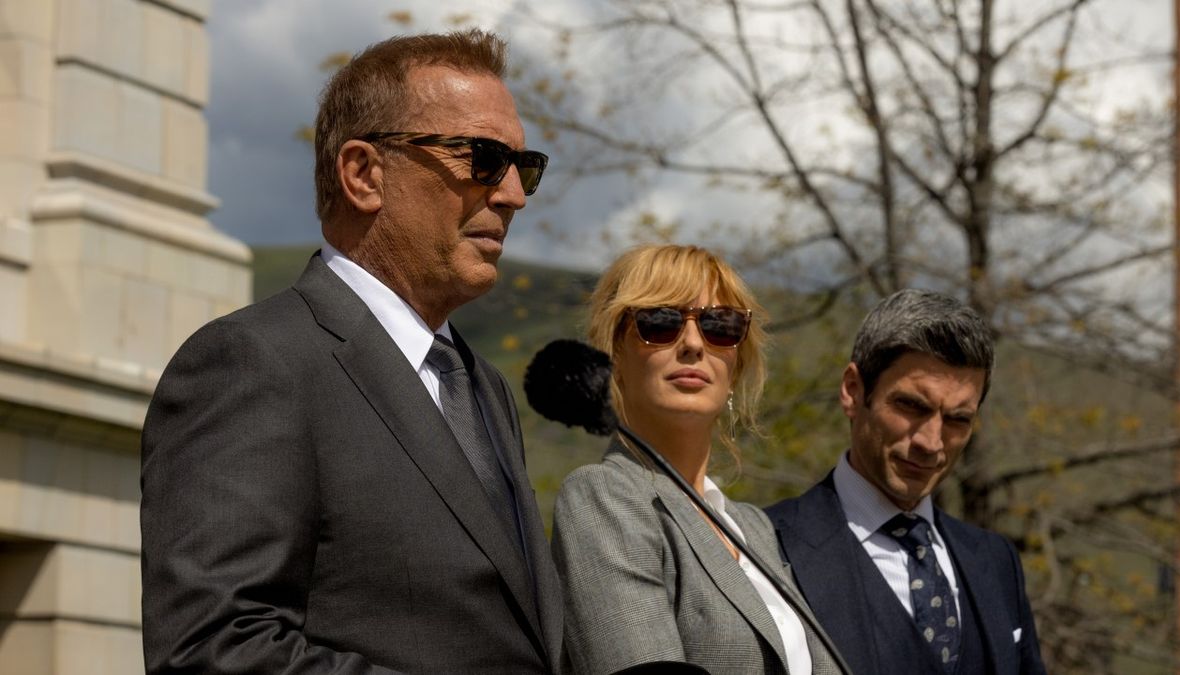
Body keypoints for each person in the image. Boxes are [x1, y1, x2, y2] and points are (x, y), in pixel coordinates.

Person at [140, 30, 563, 673]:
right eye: (480, 158)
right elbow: (213, 647)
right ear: (364, 174)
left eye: (522, 167)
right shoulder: (254, 362)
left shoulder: (483, 387)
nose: (512, 195)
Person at [551, 244, 849, 675]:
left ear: (737, 362)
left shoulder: (753, 529)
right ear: (615, 354)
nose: (693, 343)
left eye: (720, 326)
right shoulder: (605, 497)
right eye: (660, 322)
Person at [766, 289, 1047, 675]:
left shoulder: (995, 561)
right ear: (853, 391)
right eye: (911, 407)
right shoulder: (766, 548)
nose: (931, 443)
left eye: (958, 419)